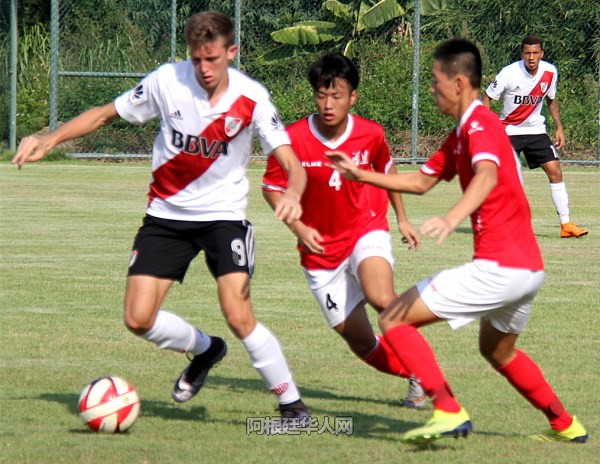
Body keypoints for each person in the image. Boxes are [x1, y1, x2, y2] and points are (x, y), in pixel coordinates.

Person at [13, 11, 311, 423]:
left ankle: (292, 406)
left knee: (238, 313)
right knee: (137, 319)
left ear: (232, 52)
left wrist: (293, 193)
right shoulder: (167, 81)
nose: (204, 68)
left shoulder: (252, 97)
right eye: (196, 59)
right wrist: (49, 139)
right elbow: (103, 114)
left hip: (223, 217)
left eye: (213, 58)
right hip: (166, 216)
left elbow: (292, 163)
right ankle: (206, 349)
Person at [326, 38, 588, 445]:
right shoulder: (462, 132)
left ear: (459, 83)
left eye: (436, 81)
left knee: (393, 318)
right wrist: (361, 175)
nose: (432, 89)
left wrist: (452, 217)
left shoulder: (481, 125)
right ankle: (565, 425)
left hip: (499, 268)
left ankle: (447, 410)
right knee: (498, 351)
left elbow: (486, 175)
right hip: (528, 270)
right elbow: (420, 181)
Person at [261, 51, 426, 409]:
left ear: (353, 97)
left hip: (366, 227)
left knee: (381, 296)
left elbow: (387, 171)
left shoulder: (370, 133)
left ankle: (425, 368)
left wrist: (402, 218)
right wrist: (299, 228)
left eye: (336, 96)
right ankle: (418, 374)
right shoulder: (291, 139)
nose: (328, 104)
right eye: (321, 95)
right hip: (320, 251)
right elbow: (271, 187)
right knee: (361, 343)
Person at [482, 35, 588, 238]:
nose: (531, 57)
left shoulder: (550, 72)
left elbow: (551, 100)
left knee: (555, 171)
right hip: (508, 131)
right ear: (522, 54)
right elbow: (487, 98)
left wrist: (559, 127)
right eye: (527, 53)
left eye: (535, 53)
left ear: (542, 53)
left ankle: (566, 225)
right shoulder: (509, 73)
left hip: (536, 130)